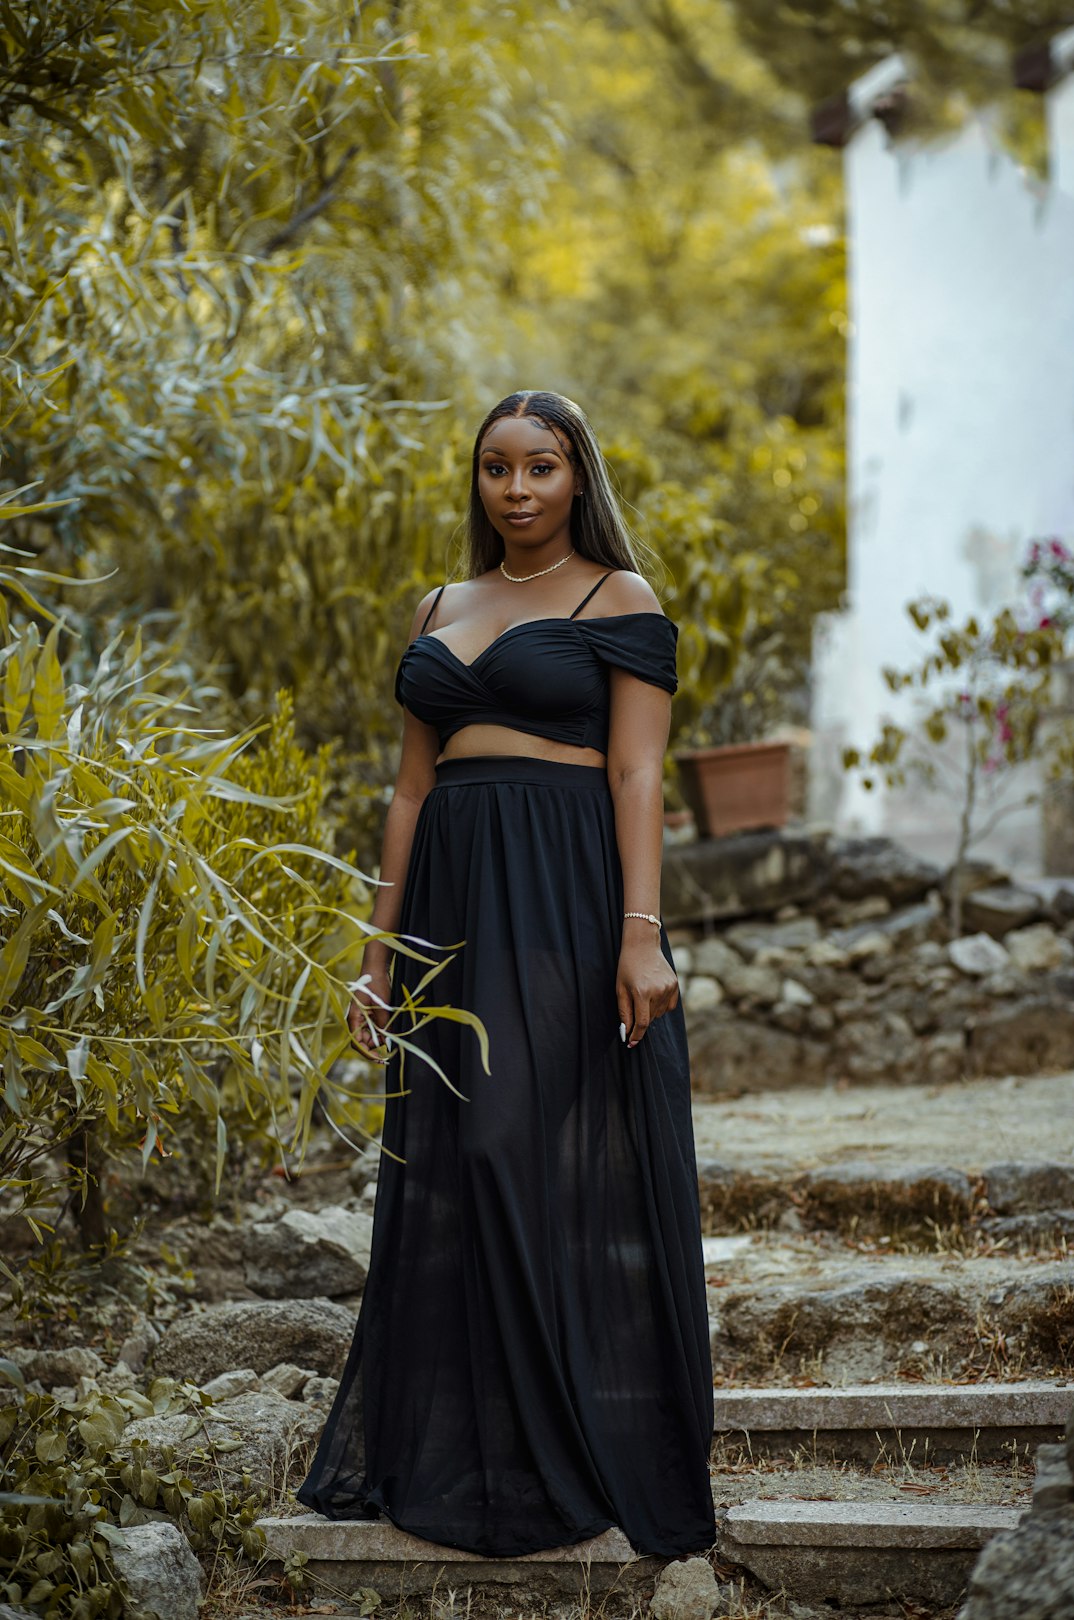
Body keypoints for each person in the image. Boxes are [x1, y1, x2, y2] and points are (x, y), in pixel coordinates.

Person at [295, 390, 716, 1559]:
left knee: (513, 1147)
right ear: (477, 480)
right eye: (496, 469)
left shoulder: (615, 599)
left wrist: (643, 934)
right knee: (451, 1160)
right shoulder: (440, 604)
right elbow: (410, 791)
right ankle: (476, 1445)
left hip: (569, 891)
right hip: (451, 900)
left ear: (578, 476)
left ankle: (569, 1445)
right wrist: (376, 955)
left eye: (540, 467)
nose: (517, 489)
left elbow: (638, 777)